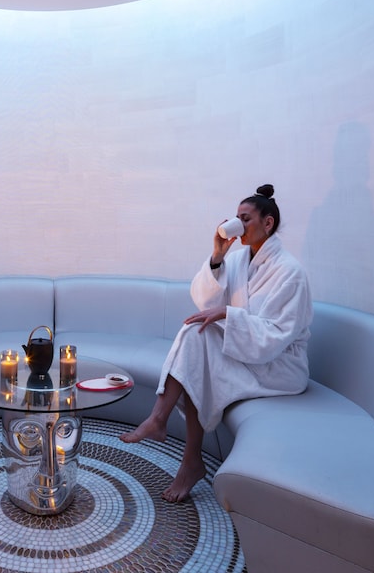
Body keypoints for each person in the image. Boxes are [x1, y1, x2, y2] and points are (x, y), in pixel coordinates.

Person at [120, 183, 313, 503]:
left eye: (246, 219)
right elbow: (205, 302)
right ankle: (175, 441)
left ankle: (169, 434)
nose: (239, 224)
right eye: (237, 217)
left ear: (268, 223)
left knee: (198, 356)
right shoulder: (236, 260)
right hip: (249, 352)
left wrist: (228, 314)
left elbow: (277, 335)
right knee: (195, 339)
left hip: (279, 367)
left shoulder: (290, 272)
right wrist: (217, 256)